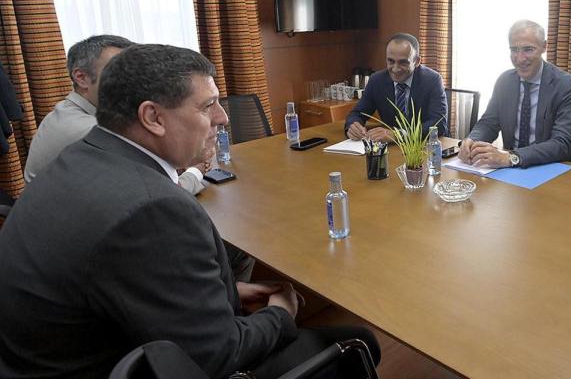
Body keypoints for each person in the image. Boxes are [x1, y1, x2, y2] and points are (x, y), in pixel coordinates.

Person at [0, 45, 380, 379]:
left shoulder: (83, 158)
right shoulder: (151, 209)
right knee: (358, 340)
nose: (223, 118)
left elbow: (129, 283)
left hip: (59, 355)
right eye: (207, 105)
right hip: (122, 366)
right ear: (153, 118)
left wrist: (225, 292)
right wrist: (281, 313)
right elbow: (219, 356)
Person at [459, 19, 571, 168]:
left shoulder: (565, 85)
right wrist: (472, 141)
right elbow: (489, 123)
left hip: (560, 166)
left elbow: (562, 143)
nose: (520, 58)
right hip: (514, 170)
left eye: (528, 49)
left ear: (544, 47)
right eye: (514, 50)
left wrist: (511, 158)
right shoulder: (505, 81)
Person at [23, 34, 132, 183]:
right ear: (81, 78)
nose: (133, 81)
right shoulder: (89, 129)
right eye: (118, 71)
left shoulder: (66, 109)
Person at [345, 32, 448, 140]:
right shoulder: (376, 80)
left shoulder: (432, 80)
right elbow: (357, 113)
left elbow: (439, 124)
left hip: (425, 147)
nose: (395, 68)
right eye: (390, 61)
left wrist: (398, 135)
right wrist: (352, 127)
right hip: (390, 148)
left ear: (417, 61)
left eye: (403, 63)